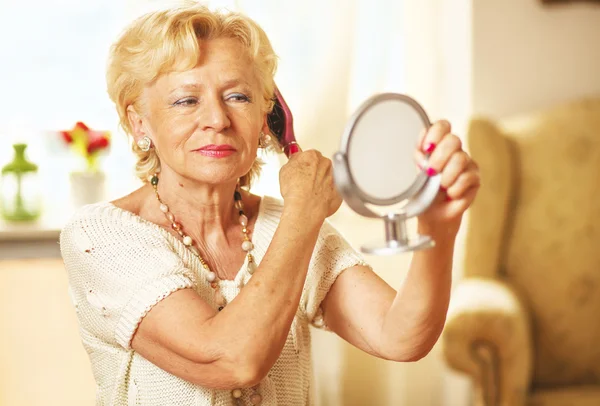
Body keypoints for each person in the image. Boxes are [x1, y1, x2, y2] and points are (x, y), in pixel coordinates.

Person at [60, 3, 480, 406]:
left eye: (238, 97)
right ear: (139, 123)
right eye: (187, 100)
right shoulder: (100, 235)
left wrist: (439, 228)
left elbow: (399, 335)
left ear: (266, 118)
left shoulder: (287, 224)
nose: (218, 120)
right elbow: (231, 358)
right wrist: (303, 213)